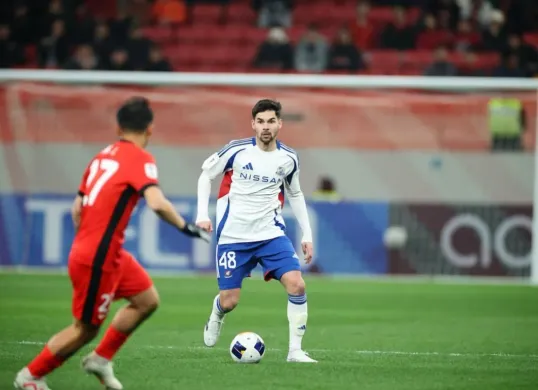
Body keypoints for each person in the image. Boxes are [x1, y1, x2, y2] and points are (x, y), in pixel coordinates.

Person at [14, 97, 209, 390]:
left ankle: (100, 359)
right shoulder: (141, 158)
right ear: (150, 129)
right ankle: (30, 376)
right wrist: (186, 227)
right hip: (98, 256)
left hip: (105, 251)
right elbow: (156, 203)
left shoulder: (101, 156)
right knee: (85, 329)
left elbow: (77, 206)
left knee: (146, 300)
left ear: (118, 126)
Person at [196, 99, 317, 363]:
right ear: (253, 124)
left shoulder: (288, 158)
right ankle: (217, 314)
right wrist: (202, 214)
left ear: (279, 124)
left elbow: (295, 193)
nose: (265, 127)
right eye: (260, 121)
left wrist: (306, 234)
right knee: (229, 301)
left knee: (297, 285)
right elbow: (206, 175)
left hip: (271, 234)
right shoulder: (236, 151)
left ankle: (295, 351)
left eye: (271, 121)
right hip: (233, 237)